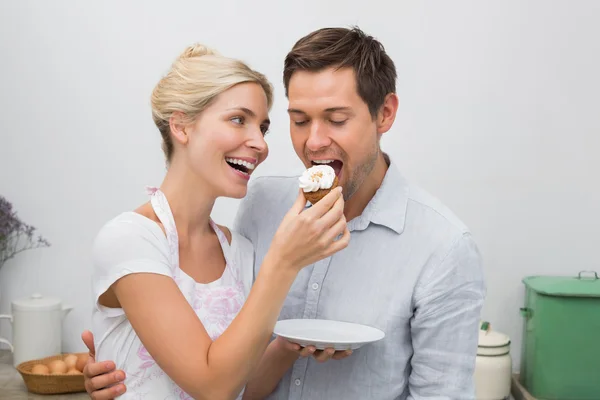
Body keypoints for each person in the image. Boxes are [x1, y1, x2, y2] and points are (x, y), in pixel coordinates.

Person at [83, 26, 486, 400]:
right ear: (181, 127)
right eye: (298, 120)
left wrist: (283, 348)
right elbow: (215, 373)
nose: (313, 141)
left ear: (385, 113)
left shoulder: (444, 248)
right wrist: (127, 361)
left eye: (337, 119)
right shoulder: (261, 206)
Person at [86, 43, 350, 400]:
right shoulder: (130, 240)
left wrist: (290, 345)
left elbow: (239, 388)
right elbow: (212, 386)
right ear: (181, 126)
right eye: (239, 119)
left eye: (263, 127)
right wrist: (284, 261)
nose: (260, 143)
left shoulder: (237, 250)